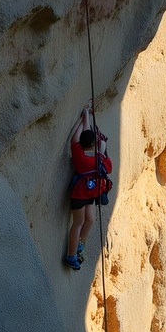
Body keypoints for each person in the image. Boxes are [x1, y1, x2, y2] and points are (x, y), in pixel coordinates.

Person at [65, 105, 112, 270]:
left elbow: (77, 137)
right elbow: (108, 166)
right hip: (84, 194)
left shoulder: (78, 153)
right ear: (93, 145)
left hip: (83, 193)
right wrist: (103, 149)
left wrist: (84, 116)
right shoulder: (97, 159)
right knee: (78, 223)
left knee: (89, 219)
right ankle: (71, 256)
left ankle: (79, 246)